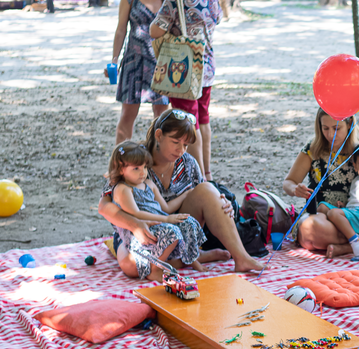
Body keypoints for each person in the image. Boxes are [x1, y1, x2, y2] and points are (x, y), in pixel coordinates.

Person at [98, 109, 264, 273]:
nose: (181, 150)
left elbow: (204, 191)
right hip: (139, 231)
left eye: (185, 144)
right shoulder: (134, 157)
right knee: (133, 267)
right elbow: (104, 206)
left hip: (176, 229)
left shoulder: (187, 162)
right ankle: (194, 257)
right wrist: (134, 224)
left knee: (207, 189)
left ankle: (241, 258)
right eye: (175, 142)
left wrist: (221, 201)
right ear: (158, 135)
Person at [283, 109, 359, 257]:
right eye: (325, 128)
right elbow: (288, 182)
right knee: (311, 227)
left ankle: (345, 247)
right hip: (323, 217)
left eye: (336, 128)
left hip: (354, 217)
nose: (330, 135)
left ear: (349, 124)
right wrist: (295, 189)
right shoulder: (312, 149)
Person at [149, 0, 221, 178]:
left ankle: (198, 177)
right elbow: (216, 20)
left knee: (189, 123)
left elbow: (155, 31)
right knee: (203, 119)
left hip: (184, 71)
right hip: (206, 67)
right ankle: (207, 171)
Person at [106, 140, 210, 279]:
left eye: (144, 167)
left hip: (159, 222)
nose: (142, 172)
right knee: (172, 232)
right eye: (136, 168)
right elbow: (136, 213)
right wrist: (167, 219)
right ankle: (154, 268)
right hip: (145, 227)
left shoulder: (148, 184)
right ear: (120, 169)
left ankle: (191, 259)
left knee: (188, 222)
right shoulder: (123, 189)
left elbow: (165, 208)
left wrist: (186, 195)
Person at [110, 0, 172, 144]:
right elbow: (121, 30)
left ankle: (158, 165)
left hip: (162, 64)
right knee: (128, 115)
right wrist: (113, 59)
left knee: (162, 118)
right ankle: (119, 167)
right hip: (133, 62)